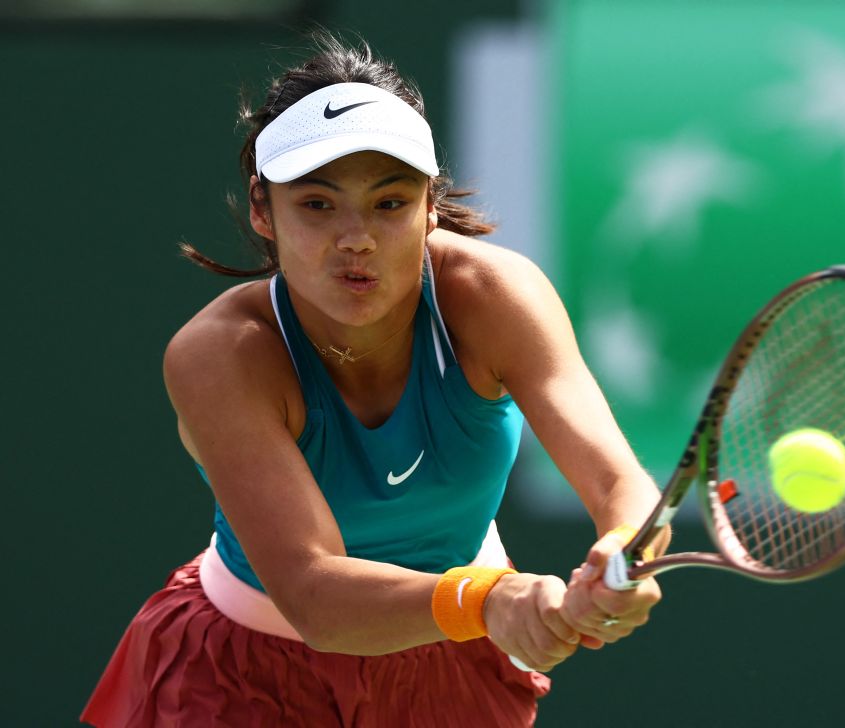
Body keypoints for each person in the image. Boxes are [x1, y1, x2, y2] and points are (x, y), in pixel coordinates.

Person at [81, 29, 668, 728]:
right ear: (264, 210)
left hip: (453, 663)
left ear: (429, 206)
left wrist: (625, 550)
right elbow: (315, 595)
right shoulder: (221, 354)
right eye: (318, 204)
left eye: (389, 203)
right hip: (238, 677)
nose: (355, 238)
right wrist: (489, 601)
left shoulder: (495, 297)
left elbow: (617, 483)